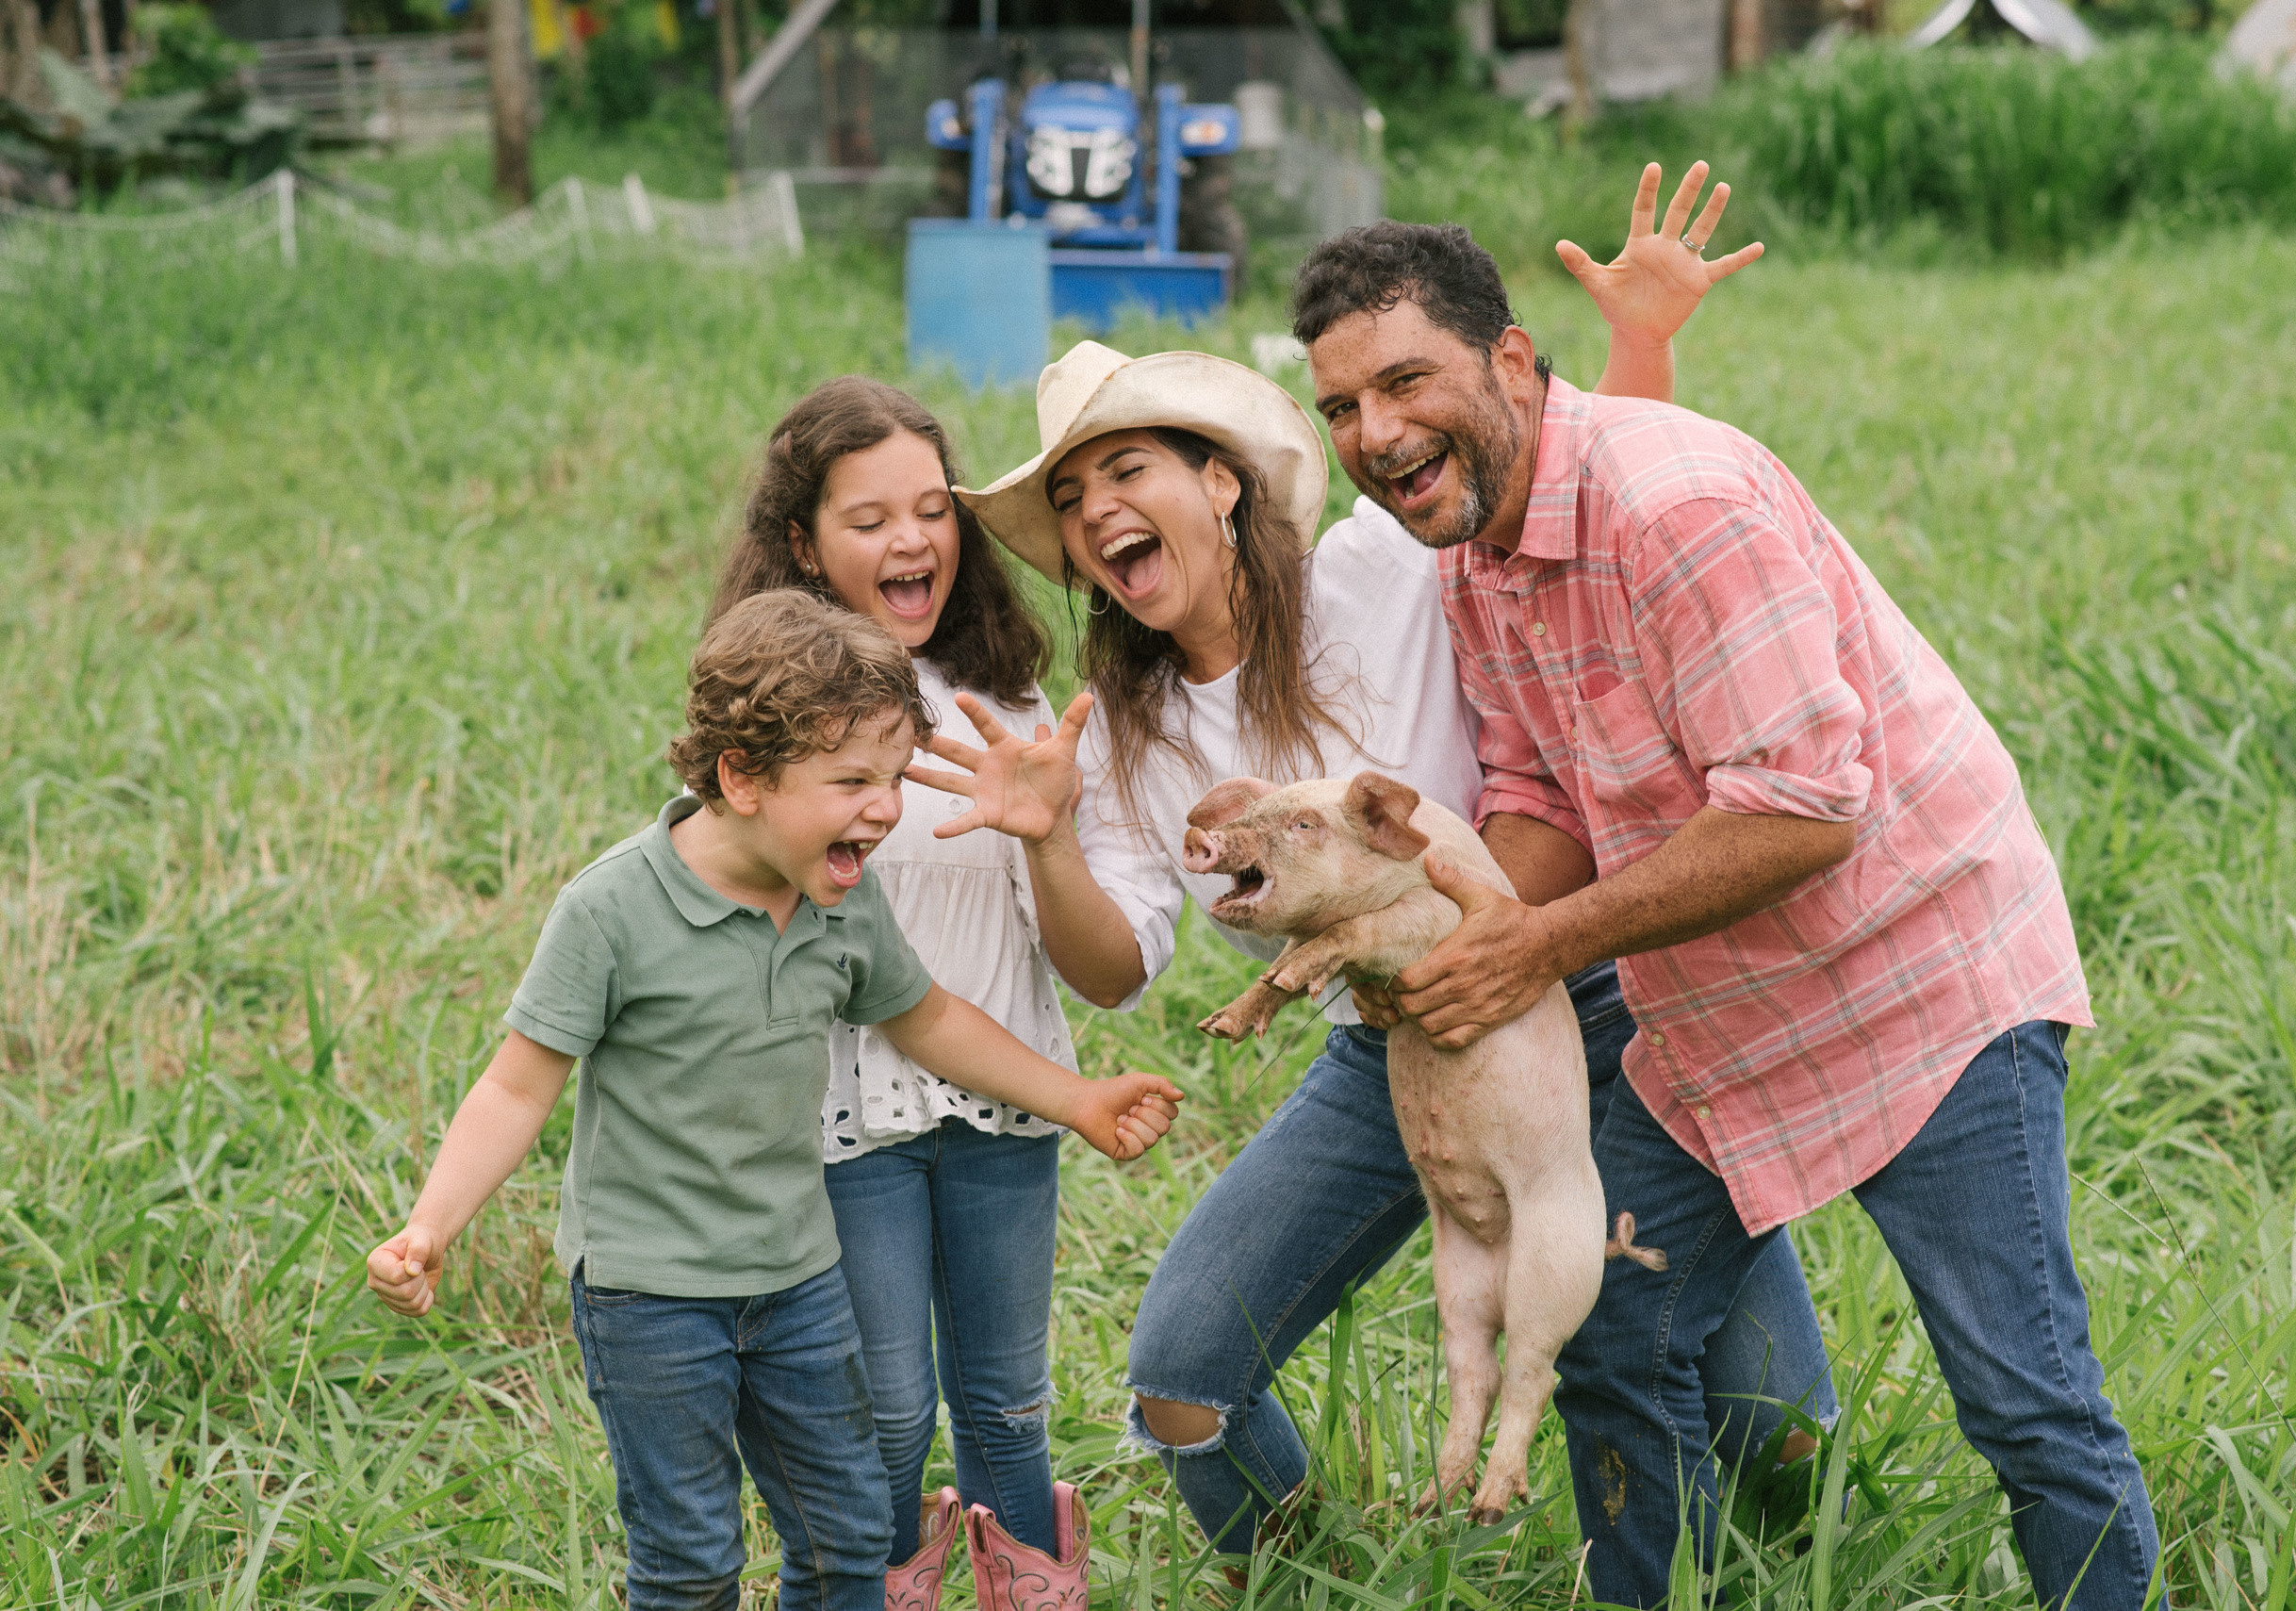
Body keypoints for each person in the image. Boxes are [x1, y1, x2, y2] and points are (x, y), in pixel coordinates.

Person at [910, 163, 1837, 1572]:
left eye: (1129, 468)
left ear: (1218, 482)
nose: (1102, 511)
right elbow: (1115, 971)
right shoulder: (1129, 743)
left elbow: (1562, 519)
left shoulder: (1375, 571)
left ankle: (1810, 1559)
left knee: (1766, 1419)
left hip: (1578, 997)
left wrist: (1640, 344)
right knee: (1181, 1386)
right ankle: (1331, 1578)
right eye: (1075, 498)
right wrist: (1045, 837)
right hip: (1384, 1046)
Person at [1294, 220, 2163, 1607]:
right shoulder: (1475, 555)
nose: (1376, 430)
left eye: (1405, 382)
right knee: (1603, 1318)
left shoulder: (1674, 505)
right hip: (1725, 1009)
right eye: (1342, 405)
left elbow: (1805, 807)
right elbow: (1535, 787)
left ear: (1511, 359)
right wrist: (1451, 928)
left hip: (1923, 985)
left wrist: (1537, 943)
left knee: (2026, 1403)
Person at [361, 589, 1182, 1611]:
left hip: (798, 1281)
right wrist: (431, 1224)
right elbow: (515, 1085)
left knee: (845, 1538)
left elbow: (927, 1018)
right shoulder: (612, 908)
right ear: (740, 777)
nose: (884, 808)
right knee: (691, 1558)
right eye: (851, 781)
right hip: (650, 1295)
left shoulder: (840, 901)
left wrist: (1077, 1097)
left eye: (890, 777)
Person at [708, 376, 1103, 1610]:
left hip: (1002, 1099)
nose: (911, 540)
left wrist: (1053, 823)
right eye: (869, 518)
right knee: (882, 1405)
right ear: (803, 545)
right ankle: (869, 1581)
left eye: (932, 510)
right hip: (848, 1115)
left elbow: (1061, 904)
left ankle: (1028, 1577)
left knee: (1005, 1396)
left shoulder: (1013, 701)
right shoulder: (775, 720)